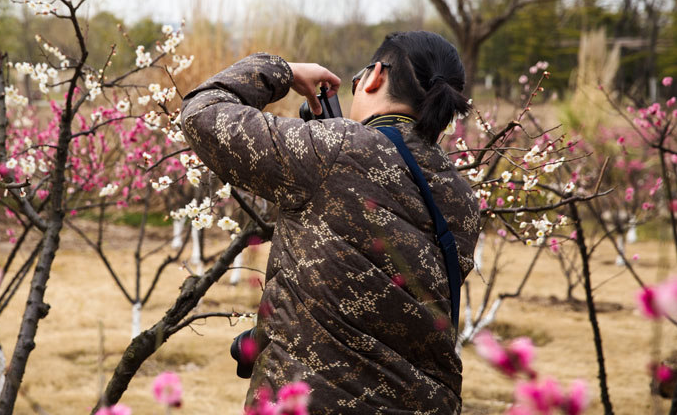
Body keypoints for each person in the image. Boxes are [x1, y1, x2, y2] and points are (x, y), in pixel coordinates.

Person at [180, 31, 480, 414]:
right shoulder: (463, 200)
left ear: (374, 77)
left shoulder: (335, 148)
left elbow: (202, 112)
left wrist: (282, 71)